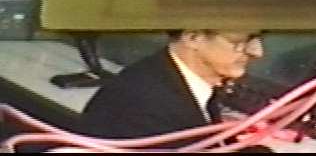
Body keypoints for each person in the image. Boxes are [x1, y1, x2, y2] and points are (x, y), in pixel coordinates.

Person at [80, 30, 264, 147]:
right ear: (193, 37)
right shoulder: (147, 107)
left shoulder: (168, 74)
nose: (257, 52)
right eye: (240, 40)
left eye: (258, 39)